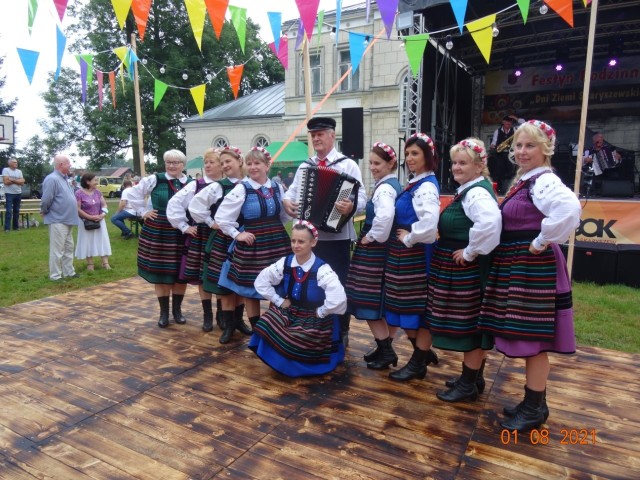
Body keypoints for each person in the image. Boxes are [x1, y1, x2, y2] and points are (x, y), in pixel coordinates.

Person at [479, 120, 581, 432]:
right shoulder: (526, 180)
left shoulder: (543, 182)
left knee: (535, 342)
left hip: (533, 266)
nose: (522, 151)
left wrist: (539, 241)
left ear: (545, 149)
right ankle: (533, 403)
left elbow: (569, 210)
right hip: (521, 265)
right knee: (529, 339)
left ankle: (535, 408)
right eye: (518, 145)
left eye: (530, 146)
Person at [426, 138, 501, 403]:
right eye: (455, 162)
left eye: (463, 163)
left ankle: (469, 383)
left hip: (468, 270)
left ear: (479, 166)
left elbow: (491, 223)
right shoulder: (470, 189)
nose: (456, 167)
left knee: (471, 326)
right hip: (461, 267)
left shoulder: (477, 193)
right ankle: (473, 377)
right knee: (471, 323)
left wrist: (470, 252)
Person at [282, 116, 367, 347]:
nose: (316, 138)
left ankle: (341, 331)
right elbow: (290, 195)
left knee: (338, 284)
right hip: (310, 240)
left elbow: (362, 199)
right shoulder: (305, 166)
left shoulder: (347, 165)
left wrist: (351, 206)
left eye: (321, 134)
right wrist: (286, 203)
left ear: (332, 135)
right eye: (313, 135)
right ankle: (312, 329)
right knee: (310, 282)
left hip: (337, 238)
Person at [250, 220, 347, 377]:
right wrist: (279, 300)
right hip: (291, 310)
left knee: (297, 337)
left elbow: (339, 297)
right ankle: (280, 361)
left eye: (301, 241)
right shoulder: (286, 262)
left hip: (314, 316)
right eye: (293, 240)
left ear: (313, 242)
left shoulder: (322, 269)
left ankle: (295, 366)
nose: (296, 245)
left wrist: (322, 311)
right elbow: (261, 281)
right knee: (266, 322)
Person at [215, 147, 291, 341]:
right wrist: (236, 234)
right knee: (251, 287)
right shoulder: (242, 188)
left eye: (257, 163)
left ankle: (275, 326)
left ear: (267, 166)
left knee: (278, 285)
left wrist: (274, 228)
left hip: (276, 242)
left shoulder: (277, 187)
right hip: (253, 243)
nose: (253, 167)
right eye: (249, 164)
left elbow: (283, 215)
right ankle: (258, 331)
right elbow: (222, 218)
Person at [385, 133, 440, 382]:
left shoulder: (426, 186)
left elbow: (429, 224)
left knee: (412, 307)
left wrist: (409, 238)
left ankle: (419, 357)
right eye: (407, 154)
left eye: (415, 153)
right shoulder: (417, 182)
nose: (409, 158)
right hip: (406, 254)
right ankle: (422, 353)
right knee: (404, 305)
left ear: (427, 156)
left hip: (415, 254)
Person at [344, 142, 401, 369]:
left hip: (375, 252)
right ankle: (384, 348)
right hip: (384, 251)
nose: (373, 167)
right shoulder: (393, 184)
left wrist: (372, 236)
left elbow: (385, 217)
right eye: (371, 163)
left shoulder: (385, 189)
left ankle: (386, 351)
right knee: (377, 302)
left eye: (377, 163)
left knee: (367, 301)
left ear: (390, 164)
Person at [189, 146, 248, 342]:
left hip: (245, 237)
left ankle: (239, 321)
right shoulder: (218, 186)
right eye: (222, 163)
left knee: (240, 280)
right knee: (224, 282)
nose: (224, 166)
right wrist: (210, 222)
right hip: (223, 239)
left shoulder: (249, 184)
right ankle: (228, 326)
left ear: (239, 161)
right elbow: (195, 206)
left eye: (228, 161)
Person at [129, 149, 192, 328]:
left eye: (176, 162)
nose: (172, 165)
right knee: (161, 272)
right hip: (159, 229)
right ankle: (164, 313)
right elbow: (133, 194)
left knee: (180, 272)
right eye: (169, 162)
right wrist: (143, 212)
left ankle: (177, 311)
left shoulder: (190, 183)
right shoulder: (155, 179)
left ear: (183, 165)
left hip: (181, 230)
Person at [167, 148, 223, 332]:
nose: (207, 165)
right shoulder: (196, 185)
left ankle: (222, 315)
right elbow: (174, 204)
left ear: (222, 165)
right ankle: (208, 316)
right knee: (202, 276)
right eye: (205, 162)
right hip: (203, 234)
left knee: (221, 275)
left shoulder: (229, 184)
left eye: (211, 162)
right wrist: (184, 227)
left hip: (224, 234)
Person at [40, 154, 80, 281]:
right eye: (68, 163)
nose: (70, 165)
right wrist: (44, 210)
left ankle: (69, 272)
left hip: (67, 219)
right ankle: (55, 275)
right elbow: (46, 198)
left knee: (69, 248)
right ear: (61, 165)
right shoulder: (52, 179)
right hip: (57, 219)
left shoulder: (64, 179)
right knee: (57, 249)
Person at [75, 173, 112, 271]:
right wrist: (90, 217)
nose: (97, 182)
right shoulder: (79, 193)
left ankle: (105, 262)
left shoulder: (98, 192)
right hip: (85, 222)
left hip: (100, 221)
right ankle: (90, 264)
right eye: (95, 180)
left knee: (102, 240)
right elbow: (78, 209)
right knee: (87, 241)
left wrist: (103, 215)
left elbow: (104, 205)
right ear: (88, 181)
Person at [489, 115, 521, 195]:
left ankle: (507, 190)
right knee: (498, 173)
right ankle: (497, 190)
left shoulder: (514, 129)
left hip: (510, 154)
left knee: (509, 173)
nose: (509, 123)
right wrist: (493, 145)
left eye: (510, 122)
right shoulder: (498, 131)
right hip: (499, 154)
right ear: (503, 122)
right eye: (507, 122)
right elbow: (494, 141)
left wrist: (516, 118)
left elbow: (524, 124)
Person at [2, 157, 25, 232]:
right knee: (9, 211)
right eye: (14, 162)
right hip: (9, 193)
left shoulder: (19, 171)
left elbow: (22, 182)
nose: (16, 163)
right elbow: (6, 182)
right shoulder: (6, 170)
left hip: (18, 193)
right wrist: (18, 181)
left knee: (16, 210)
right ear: (10, 163)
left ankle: (15, 227)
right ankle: (7, 228)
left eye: (16, 162)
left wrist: (12, 180)